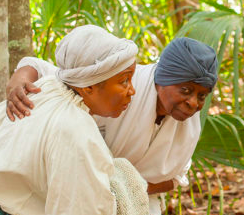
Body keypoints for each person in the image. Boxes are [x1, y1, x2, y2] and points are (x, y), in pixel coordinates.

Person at [6, 37, 218, 214]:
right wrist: (19, 80)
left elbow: (175, 178)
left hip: (137, 199)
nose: (193, 103)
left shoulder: (190, 128)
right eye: (186, 91)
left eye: (202, 96)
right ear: (163, 78)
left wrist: (126, 189)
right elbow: (56, 73)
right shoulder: (115, 85)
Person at [0, 25, 149, 215]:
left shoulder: (47, 87)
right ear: (89, 87)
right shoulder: (77, 133)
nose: (132, 91)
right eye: (124, 81)